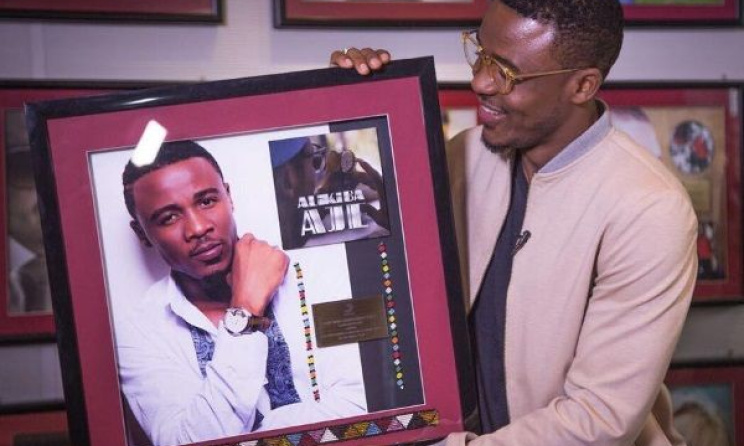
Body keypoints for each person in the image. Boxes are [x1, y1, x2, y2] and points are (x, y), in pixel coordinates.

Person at [330, 0, 698, 445]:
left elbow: (598, 421)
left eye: (506, 72)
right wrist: (347, 101)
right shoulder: (457, 156)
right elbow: (361, 263)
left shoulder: (649, 208)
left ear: (582, 85)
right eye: (480, 53)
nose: (479, 80)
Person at [116, 140, 367, 446]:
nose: (197, 228)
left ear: (229, 197)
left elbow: (362, 406)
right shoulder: (141, 332)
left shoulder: (319, 274)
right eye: (169, 217)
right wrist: (244, 311)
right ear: (142, 233)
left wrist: (261, 434)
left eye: (207, 201)